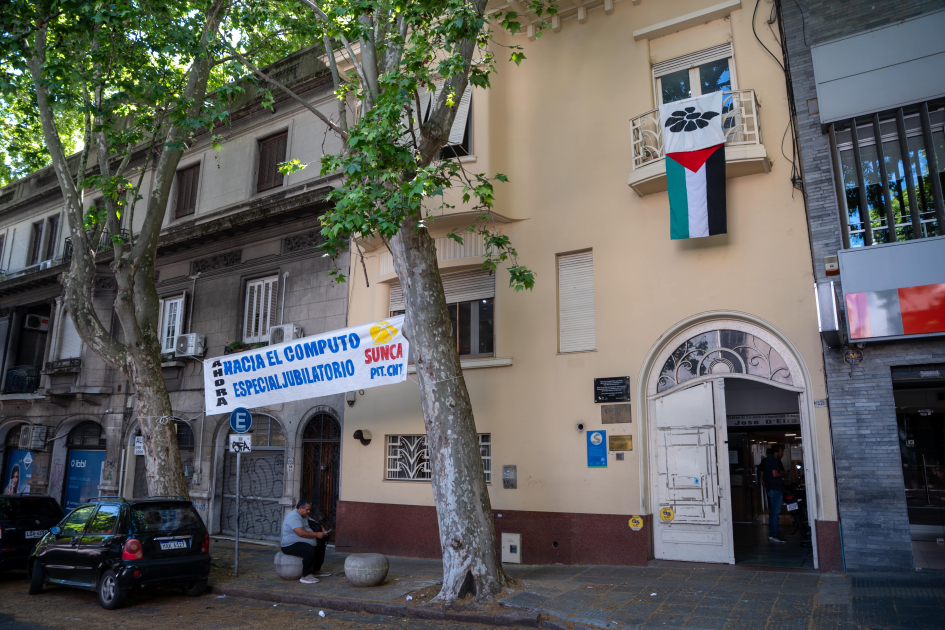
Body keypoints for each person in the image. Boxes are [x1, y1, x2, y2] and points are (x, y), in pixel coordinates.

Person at [280, 499, 330, 584]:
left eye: (309, 510)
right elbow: (300, 533)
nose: (309, 511)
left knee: (320, 544)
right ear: (300, 508)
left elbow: (315, 523)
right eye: (307, 510)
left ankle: (316, 570)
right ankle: (305, 575)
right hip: (289, 545)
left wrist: (323, 530)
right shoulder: (293, 517)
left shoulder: (304, 515)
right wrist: (316, 534)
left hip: (300, 542)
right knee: (308, 549)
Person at [763, 444, 787, 543]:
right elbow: (774, 474)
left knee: (773, 512)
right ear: (776, 452)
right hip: (775, 489)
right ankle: (775, 534)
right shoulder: (773, 460)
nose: (783, 453)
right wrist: (784, 474)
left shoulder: (768, 460)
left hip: (771, 489)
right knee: (775, 513)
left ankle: (773, 534)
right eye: (781, 452)